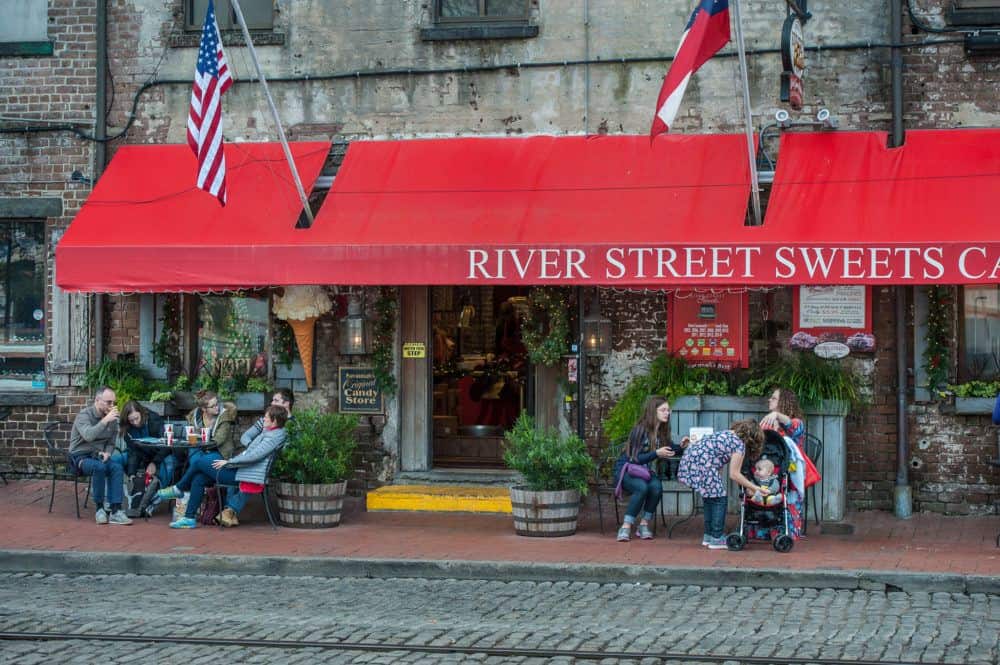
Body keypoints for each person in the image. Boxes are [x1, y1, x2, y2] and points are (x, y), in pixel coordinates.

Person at [162, 405, 288, 529]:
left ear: (274, 421)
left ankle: (179, 488)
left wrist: (228, 462)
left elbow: (254, 456)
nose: (263, 419)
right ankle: (189, 518)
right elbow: (249, 446)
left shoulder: (274, 436)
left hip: (242, 475)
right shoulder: (270, 431)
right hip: (240, 469)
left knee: (199, 461)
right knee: (199, 478)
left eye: (266, 417)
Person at [678, 419, 765, 549]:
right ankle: (717, 538)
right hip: (702, 462)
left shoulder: (729, 433)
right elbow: (734, 474)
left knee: (710, 498)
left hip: (691, 457)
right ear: (753, 438)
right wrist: (755, 487)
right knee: (720, 499)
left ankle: (708, 536)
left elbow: (716, 455)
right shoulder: (739, 445)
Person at [613, 395, 675, 542]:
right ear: (654, 412)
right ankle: (626, 526)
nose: (667, 413)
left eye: (668, 410)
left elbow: (670, 449)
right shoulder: (640, 430)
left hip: (646, 472)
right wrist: (656, 453)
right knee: (641, 488)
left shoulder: (662, 431)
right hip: (627, 470)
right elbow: (634, 459)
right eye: (663, 410)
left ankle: (644, 524)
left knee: (656, 487)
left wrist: (682, 446)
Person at [68, 386, 132, 526]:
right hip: (80, 456)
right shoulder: (84, 416)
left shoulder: (112, 418)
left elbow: (111, 441)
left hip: (99, 455)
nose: (112, 406)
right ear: (97, 400)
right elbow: (89, 435)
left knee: (116, 467)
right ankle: (99, 509)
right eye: (108, 402)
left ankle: (115, 510)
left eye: (114, 403)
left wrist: (108, 453)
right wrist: (105, 420)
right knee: (99, 468)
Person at [758, 387, 806, 539]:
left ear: (783, 402)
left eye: (773, 398)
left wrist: (777, 415)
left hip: (789, 475)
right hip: (766, 474)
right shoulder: (766, 423)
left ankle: (786, 529)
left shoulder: (796, 423)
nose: (769, 400)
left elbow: (795, 427)